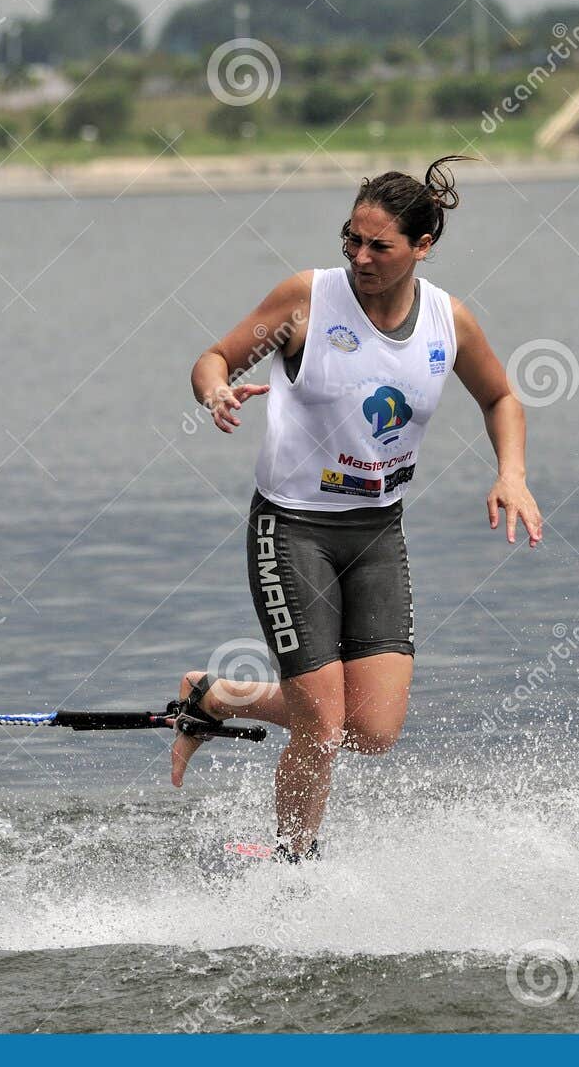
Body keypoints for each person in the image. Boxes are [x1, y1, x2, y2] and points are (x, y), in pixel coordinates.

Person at [171, 155, 543, 861]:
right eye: (352, 238)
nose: (360, 257)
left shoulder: (447, 321)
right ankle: (292, 861)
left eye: (380, 246)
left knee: (370, 728)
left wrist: (512, 474)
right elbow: (213, 358)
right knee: (322, 725)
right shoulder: (307, 302)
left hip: (376, 534)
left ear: (422, 246)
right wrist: (216, 391)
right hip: (293, 530)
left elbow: (501, 397)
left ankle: (214, 695)